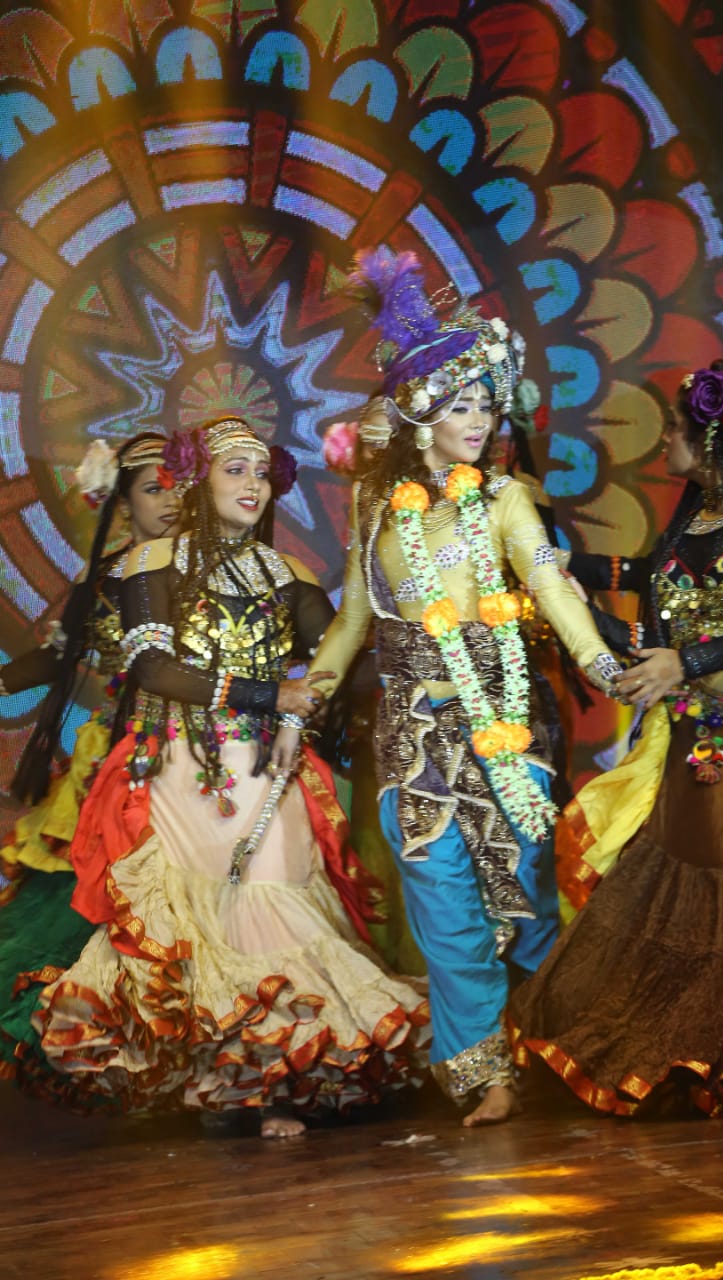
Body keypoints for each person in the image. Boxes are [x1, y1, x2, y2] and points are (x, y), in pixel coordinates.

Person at [278, 249, 620, 1126]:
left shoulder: (503, 498)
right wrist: (305, 697)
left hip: (502, 721)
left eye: (485, 404)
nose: (479, 419)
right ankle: (484, 1073)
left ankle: (558, 1038)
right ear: (420, 410)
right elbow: (352, 623)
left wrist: (602, 665)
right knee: (439, 893)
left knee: (527, 892)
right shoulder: (374, 509)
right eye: (461, 404)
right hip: (411, 729)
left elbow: (549, 584)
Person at [28, 417, 429, 1137]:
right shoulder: (152, 561)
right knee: (208, 924)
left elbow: (339, 661)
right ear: (197, 479)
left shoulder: (287, 574)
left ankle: (271, 1083)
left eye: (261, 473)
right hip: (183, 767)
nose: (253, 485)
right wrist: (272, 695)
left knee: (274, 905)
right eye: (235, 470)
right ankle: (236, 1084)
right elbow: (154, 670)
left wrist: (436, 639)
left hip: (267, 768)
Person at [510, 367, 723, 1117]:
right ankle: (703, 1052)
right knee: (676, 882)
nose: (662, 439)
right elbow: (655, 602)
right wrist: (563, 583)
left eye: (671, 428)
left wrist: (684, 663)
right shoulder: (695, 514)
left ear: (710, 438)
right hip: (695, 739)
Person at [0, 433, 177, 1079]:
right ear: (123, 504)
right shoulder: (103, 576)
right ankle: (105, 1038)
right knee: (88, 900)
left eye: (178, 488)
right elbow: (61, 656)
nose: (171, 501)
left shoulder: (211, 566)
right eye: (154, 489)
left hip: (200, 756)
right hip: (119, 759)